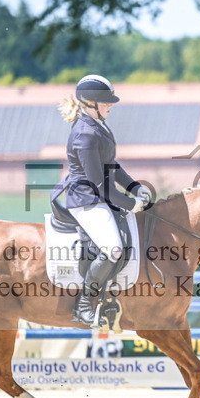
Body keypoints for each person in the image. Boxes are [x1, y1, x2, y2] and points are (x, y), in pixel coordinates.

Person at [51, 75, 152, 327]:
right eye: (106, 102)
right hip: (86, 199)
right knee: (114, 249)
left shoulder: (98, 125)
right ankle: (84, 304)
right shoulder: (85, 133)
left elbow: (111, 166)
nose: (110, 106)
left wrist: (134, 187)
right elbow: (98, 183)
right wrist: (130, 204)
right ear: (90, 103)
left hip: (99, 196)